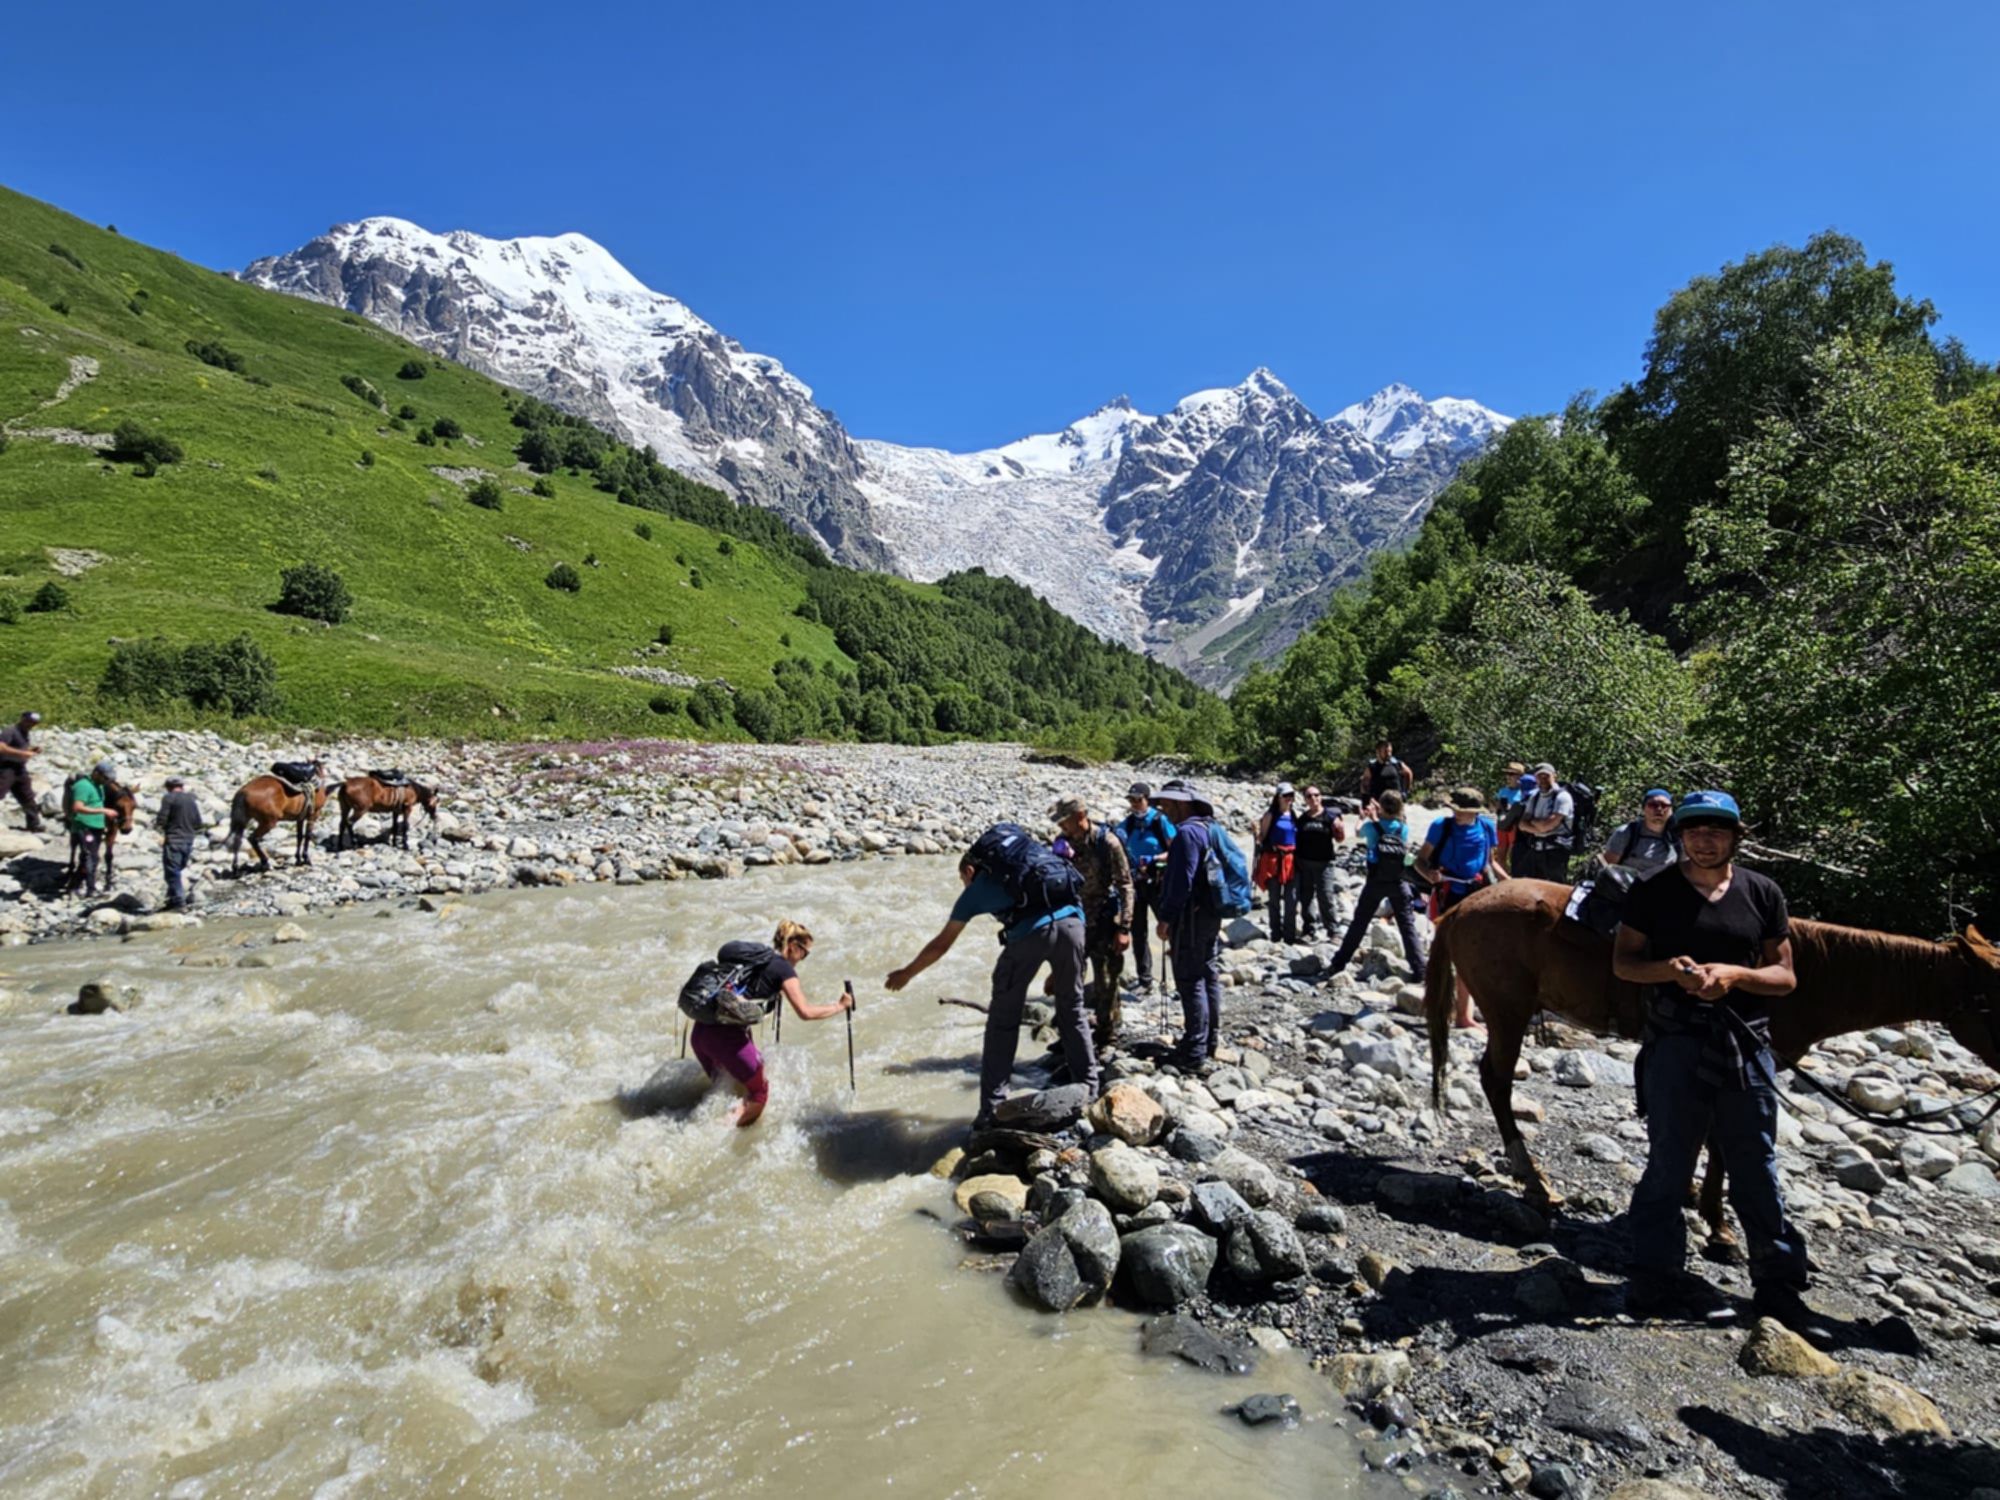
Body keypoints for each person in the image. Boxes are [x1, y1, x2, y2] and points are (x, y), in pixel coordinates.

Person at [1612, 790, 1815, 1332]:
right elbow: (1626, 964)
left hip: (1744, 1042)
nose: (1705, 840)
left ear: (1734, 837)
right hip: (1676, 1041)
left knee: (1756, 1162)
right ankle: (1654, 1278)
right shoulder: (1652, 892)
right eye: (1695, 830)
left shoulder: (1762, 893)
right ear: (1681, 835)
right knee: (1670, 1162)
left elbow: (1784, 976)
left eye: (1716, 831)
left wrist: (1734, 976)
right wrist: (1671, 973)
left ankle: (1778, 1286)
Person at [886, 827, 1098, 1129]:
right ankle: (1090, 1087)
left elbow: (942, 944)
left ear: (970, 869)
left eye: (963, 878)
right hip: (1074, 926)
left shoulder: (976, 890)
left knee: (1002, 1021)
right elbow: (1074, 900)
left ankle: (992, 1109)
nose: (964, 884)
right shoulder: (1040, 867)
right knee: (1072, 1008)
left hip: (1028, 936)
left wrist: (907, 972)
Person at [691, 921, 850, 1127]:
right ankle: (709, 1133)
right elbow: (806, 1012)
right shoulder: (784, 970)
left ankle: (703, 1127)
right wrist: (840, 1006)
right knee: (759, 1093)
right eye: (805, 953)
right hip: (723, 1038)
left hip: (700, 1033)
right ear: (793, 946)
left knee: (726, 1087)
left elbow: (738, 1008)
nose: (803, 959)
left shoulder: (757, 962)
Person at [1415, 788, 1509, 1028]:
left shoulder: (1486, 827)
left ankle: (1463, 1015)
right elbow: (1420, 860)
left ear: (1474, 813)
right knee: (1445, 952)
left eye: (1462, 811)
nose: (1457, 814)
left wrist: (1511, 883)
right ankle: (1441, 1007)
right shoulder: (1441, 826)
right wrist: (1429, 875)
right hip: (1448, 892)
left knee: (1470, 953)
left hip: (1476, 893)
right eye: (1455, 809)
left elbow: (1490, 862)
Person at [1151, 779, 1224, 1070]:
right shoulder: (1209, 828)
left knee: (1190, 978)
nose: (1164, 812)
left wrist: (1166, 918)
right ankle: (1209, 1040)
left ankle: (1194, 1051)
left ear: (1182, 804)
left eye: (1167, 805)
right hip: (1210, 913)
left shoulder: (1186, 834)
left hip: (1191, 918)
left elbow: (1183, 881)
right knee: (1208, 973)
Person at [1053, 796, 1134, 1048]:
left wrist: (1124, 927)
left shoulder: (1107, 843)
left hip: (1104, 920)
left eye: (1064, 821)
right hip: (1073, 920)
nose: (1061, 827)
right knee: (1068, 980)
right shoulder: (1061, 843)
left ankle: (1106, 1034)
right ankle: (1069, 1034)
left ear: (1080, 816)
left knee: (1106, 981)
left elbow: (1125, 885)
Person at [1326, 789, 1426, 983]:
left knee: (1359, 923)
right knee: (1407, 927)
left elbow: (1357, 832)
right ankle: (1420, 970)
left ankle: (1338, 963)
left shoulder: (1372, 827)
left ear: (1381, 807)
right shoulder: (1402, 828)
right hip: (1398, 881)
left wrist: (1363, 817)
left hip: (1375, 882)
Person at [1113, 783, 1176, 994]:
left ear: (1148, 799)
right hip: (1136, 884)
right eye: (1131, 800)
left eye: (1138, 800)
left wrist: (1156, 859)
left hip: (1159, 882)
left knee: (1170, 929)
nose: (1134, 804)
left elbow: (1176, 849)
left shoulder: (1160, 821)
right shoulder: (1128, 824)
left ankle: (1180, 978)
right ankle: (1145, 980)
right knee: (1138, 933)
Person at [1291, 785, 1346, 941]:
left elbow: (1340, 839)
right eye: (1309, 796)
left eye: (1316, 795)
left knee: (1326, 897)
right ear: (1305, 799)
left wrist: (1340, 829)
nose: (1313, 798)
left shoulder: (1330, 816)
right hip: (1305, 863)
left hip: (1324, 863)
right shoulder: (1303, 819)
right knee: (1306, 897)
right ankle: (1309, 930)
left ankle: (1333, 931)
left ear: (1321, 797)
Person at [1512, 763, 1576, 882]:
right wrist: (1538, 826)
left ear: (1554, 776)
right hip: (1536, 850)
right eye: (1539, 776)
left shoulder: (1563, 797)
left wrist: (1532, 823)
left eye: (1546, 776)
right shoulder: (1534, 796)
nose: (1543, 779)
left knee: (1555, 890)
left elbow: (1547, 826)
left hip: (1556, 852)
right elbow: (1522, 825)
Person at [1255, 782, 1300, 942]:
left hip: (1291, 860)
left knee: (1291, 900)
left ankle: (1289, 935)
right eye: (1286, 796)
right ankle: (1276, 933)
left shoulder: (1294, 815)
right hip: (1274, 860)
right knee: (1274, 899)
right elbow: (1262, 838)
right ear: (1278, 797)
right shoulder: (1270, 815)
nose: (1289, 799)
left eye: (1291, 796)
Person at [156, 776, 208, 911]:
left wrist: (161, 828)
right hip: (189, 839)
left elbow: (162, 819)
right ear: (181, 786)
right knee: (178, 869)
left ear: (168, 786)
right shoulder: (191, 799)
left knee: (172, 871)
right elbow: (198, 822)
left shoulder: (168, 798)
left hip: (174, 839)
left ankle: (179, 903)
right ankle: (172, 899)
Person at [1603, 789, 1679, 878]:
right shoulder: (1626, 833)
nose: (1659, 809)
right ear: (1644, 808)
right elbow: (1607, 868)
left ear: (1671, 811)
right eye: (1653, 805)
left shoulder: (1678, 838)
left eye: (1664, 805)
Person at [66, 760, 113, 898]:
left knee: (90, 856)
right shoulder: (83, 786)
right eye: (105, 778)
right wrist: (103, 811)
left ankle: (75, 885)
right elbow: (77, 807)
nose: (106, 781)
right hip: (85, 826)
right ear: (96, 773)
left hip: (96, 826)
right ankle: (90, 889)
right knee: (90, 857)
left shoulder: (99, 786)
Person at [0, 711, 45, 833]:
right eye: (29, 721)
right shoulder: (10, 731)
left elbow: (19, 748)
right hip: (6, 768)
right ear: (23, 719)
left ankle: (34, 824)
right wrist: (23, 753)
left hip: (20, 769)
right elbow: (1, 747)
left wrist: (31, 750)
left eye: (34, 723)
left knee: (27, 797)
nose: (31, 725)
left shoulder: (25, 733)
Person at [1361, 739, 1412, 815]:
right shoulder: (1372, 766)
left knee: (1399, 825)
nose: (1389, 754)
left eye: (1390, 751)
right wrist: (1365, 801)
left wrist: (1405, 792)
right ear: (1378, 752)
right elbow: (1365, 783)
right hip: (1379, 804)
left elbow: (1409, 773)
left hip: (1396, 803)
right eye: (1385, 751)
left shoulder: (1396, 764)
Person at [1493, 763, 1529, 873]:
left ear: (1520, 776)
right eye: (1507, 774)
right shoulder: (1503, 791)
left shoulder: (1524, 792)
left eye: (1511, 774)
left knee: (1513, 855)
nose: (1508, 777)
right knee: (1500, 855)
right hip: (1503, 824)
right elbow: (1497, 807)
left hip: (1515, 827)